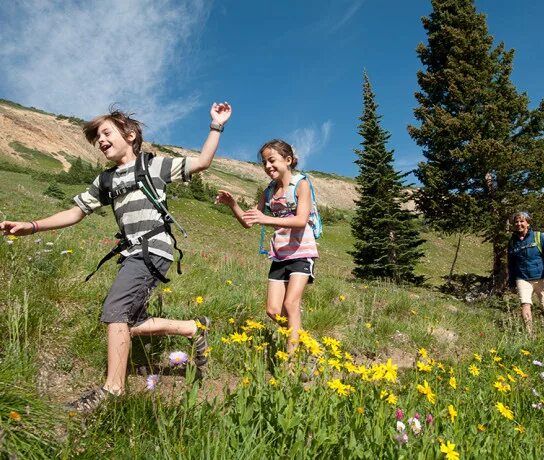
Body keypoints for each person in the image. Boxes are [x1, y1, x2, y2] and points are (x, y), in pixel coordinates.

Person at [0, 102, 232, 411]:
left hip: (152, 249)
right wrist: (32, 226)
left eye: (106, 133)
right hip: (131, 252)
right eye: (97, 138)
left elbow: (202, 162)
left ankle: (113, 390)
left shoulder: (153, 165)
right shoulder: (104, 181)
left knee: (115, 311)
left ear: (131, 135)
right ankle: (193, 328)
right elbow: (75, 211)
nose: (101, 141)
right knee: (127, 321)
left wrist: (216, 125)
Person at [215, 139, 318, 354]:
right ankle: (299, 339)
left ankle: (292, 363)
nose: (268, 166)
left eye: (272, 160)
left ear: (288, 160)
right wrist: (233, 204)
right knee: (273, 310)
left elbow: (300, 220)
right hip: (280, 255)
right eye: (264, 163)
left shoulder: (301, 185)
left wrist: (267, 220)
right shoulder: (269, 192)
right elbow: (248, 221)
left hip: (302, 252)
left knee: (291, 304)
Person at [507, 211, 544, 334]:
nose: (519, 224)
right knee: (525, 303)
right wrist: (512, 282)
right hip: (522, 278)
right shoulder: (512, 241)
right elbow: (511, 264)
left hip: (541, 277)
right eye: (516, 222)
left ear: (528, 223)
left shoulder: (538, 237)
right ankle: (529, 333)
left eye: (522, 221)